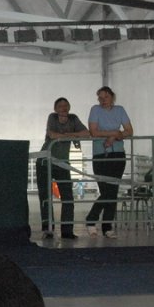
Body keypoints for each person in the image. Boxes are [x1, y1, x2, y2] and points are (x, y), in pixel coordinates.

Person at [35, 98, 90, 239]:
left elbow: (86, 133)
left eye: (66, 105)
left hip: (62, 163)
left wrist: (66, 136)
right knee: (45, 196)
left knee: (67, 197)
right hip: (45, 162)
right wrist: (71, 135)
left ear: (69, 107)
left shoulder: (73, 118)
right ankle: (48, 229)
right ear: (55, 108)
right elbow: (52, 134)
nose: (63, 108)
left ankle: (67, 230)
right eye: (60, 106)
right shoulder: (52, 117)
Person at [84, 86, 133, 239]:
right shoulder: (95, 110)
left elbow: (129, 130)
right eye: (100, 98)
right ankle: (91, 220)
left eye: (105, 97)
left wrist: (115, 137)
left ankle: (106, 226)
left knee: (112, 190)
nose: (102, 100)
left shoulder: (120, 110)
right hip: (100, 154)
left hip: (118, 154)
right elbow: (94, 131)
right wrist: (114, 133)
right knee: (106, 191)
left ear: (112, 97)